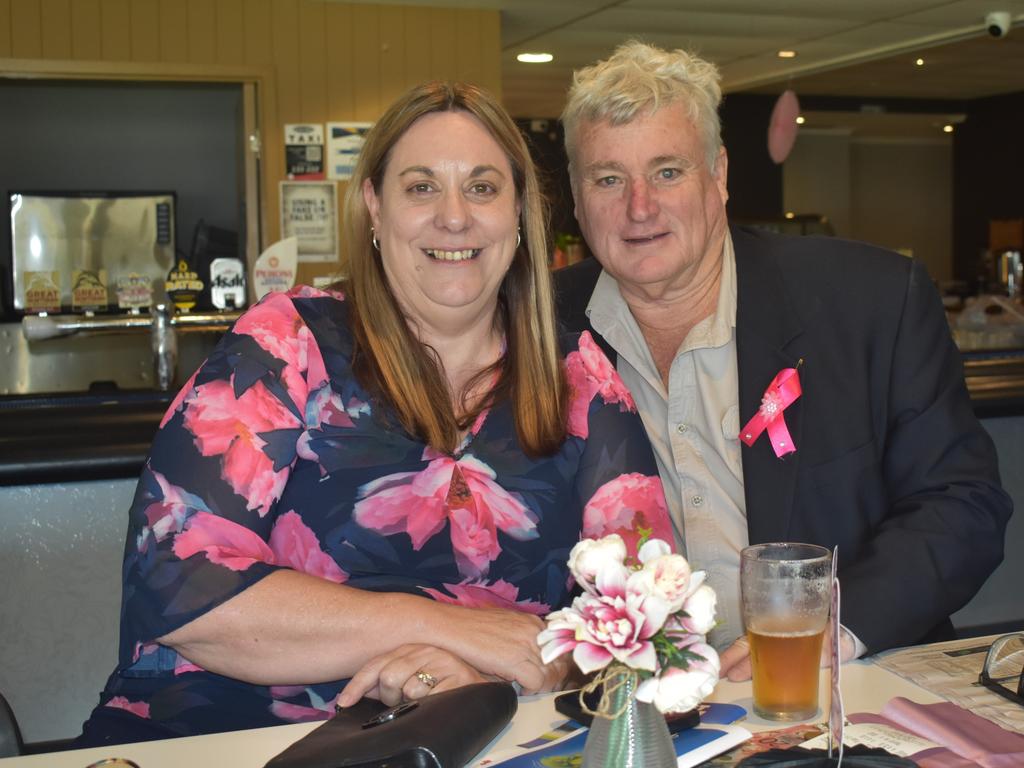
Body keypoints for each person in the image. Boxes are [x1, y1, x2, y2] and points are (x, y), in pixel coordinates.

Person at [77, 80, 674, 745]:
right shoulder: (285, 348)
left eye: (482, 187)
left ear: (518, 214)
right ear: (375, 208)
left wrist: (506, 666)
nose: (455, 217)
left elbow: (651, 620)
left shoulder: (582, 381)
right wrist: (440, 626)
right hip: (221, 737)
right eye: (421, 187)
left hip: (485, 738)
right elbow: (177, 584)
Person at [553, 41, 1012, 680]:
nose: (639, 206)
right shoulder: (535, 329)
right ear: (576, 198)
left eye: (667, 171)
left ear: (718, 174)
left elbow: (961, 503)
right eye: (608, 179)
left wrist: (831, 631)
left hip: (842, 685)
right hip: (627, 703)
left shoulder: (869, 302)